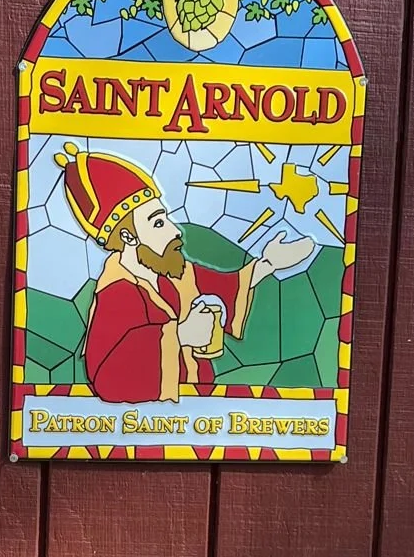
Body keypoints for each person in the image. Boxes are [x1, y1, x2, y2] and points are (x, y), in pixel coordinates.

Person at [56, 146, 313, 403]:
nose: (175, 230)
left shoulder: (174, 273)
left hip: (201, 411)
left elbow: (224, 285)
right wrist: (180, 335)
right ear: (127, 236)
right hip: (148, 423)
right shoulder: (116, 292)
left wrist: (269, 264)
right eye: (158, 223)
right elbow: (108, 375)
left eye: (166, 218)